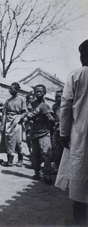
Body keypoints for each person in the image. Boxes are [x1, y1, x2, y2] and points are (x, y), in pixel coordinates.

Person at [55, 39, 88, 226]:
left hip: (81, 134)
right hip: (80, 133)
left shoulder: (76, 75)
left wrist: (63, 133)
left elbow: (66, 106)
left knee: (80, 174)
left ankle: (80, 220)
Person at [24, 84, 54, 184]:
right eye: (37, 91)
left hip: (44, 132)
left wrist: (47, 115)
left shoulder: (47, 105)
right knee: (36, 154)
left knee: (47, 154)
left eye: (41, 91)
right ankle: (37, 172)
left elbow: (52, 119)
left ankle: (47, 174)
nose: (38, 93)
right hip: (34, 131)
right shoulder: (31, 105)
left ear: (45, 93)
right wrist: (34, 115)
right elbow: (27, 116)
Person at [1, 82, 26, 167]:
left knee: (18, 141)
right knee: (8, 140)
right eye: (9, 88)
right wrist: (2, 125)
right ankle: (9, 161)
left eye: (12, 89)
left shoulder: (21, 100)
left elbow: (24, 112)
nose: (10, 90)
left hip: (17, 121)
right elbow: (4, 112)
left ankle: (20, 158)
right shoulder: (8, 100)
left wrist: (19, 117)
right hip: (8, 121)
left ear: (17, 90)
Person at [51, 89, 63, 173]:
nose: (57, 98)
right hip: (56, 130)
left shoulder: (67, 107)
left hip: (64, 130)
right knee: (56, 149)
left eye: (59, 97)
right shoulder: (55, 106)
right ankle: (57, 167)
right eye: (56, 97)